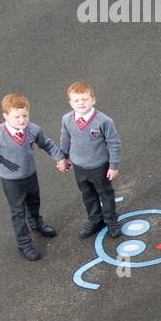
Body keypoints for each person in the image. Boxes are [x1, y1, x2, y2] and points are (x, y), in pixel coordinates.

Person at [0, 93, 66, 260]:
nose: (22, 120)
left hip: (30, 176)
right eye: (16, 116)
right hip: (11, 182)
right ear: (5, 116)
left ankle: (36, 223)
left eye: (25, 115)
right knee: (18, 212)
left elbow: (46, 144)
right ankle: (24, 243)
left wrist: (59, 158)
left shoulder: (32, 129)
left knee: (34, 202)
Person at [57, 80, 122, 238]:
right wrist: (63, 158)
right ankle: (95, 219)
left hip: (99, 166)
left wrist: (113, 166)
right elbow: (65, 139)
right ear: (70, 103)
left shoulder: (104, 121)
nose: (81, 103)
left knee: (105, 194)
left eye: (84, 99)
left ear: (93, 99)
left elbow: (114, 143)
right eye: (76, 100)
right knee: (87, 194)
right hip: (79, 167)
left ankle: (111, 220)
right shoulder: (67, 119)